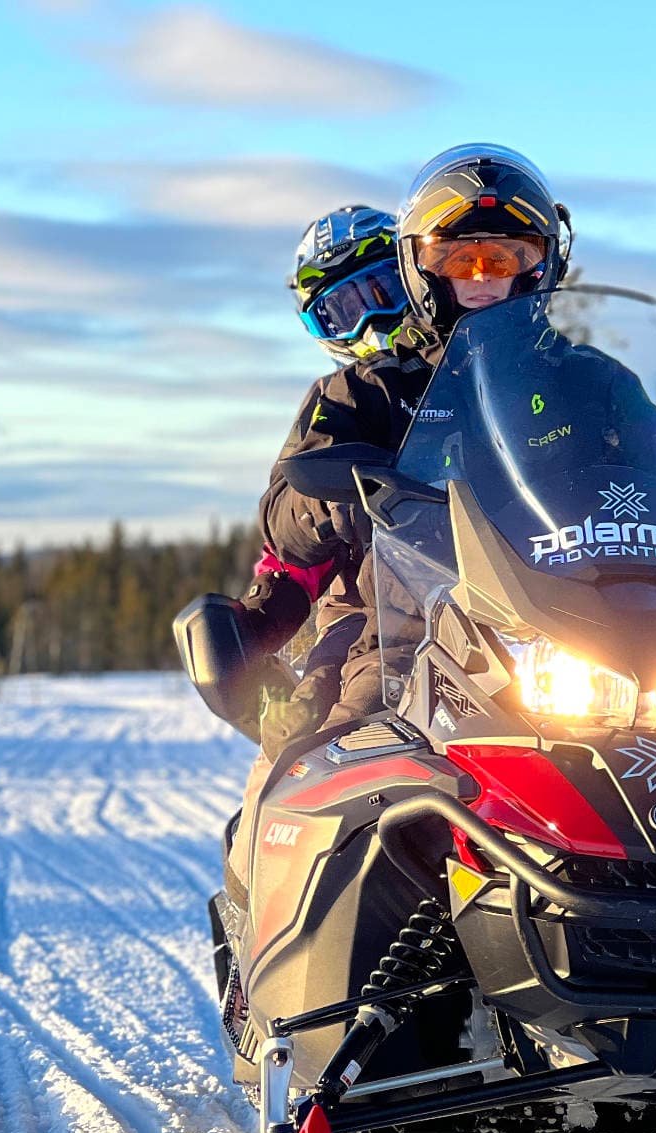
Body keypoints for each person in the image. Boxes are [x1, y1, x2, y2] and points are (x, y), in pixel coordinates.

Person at [255, 144, 571, 755]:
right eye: (459, 261)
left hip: (572, 615)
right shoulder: (363, 389)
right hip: (407, 625)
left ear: (538, 265)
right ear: (423, 270)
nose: (481, 279)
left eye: (501, 259)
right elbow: (284, 517)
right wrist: (328, 501)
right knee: (320, 754)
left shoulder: (582, 380)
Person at [210, 205, 411, 744]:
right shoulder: (342, 400)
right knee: (307, 736)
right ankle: (266, 823)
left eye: (382, 291)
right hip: (374, 612)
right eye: (344, 310)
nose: (371, 321)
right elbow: (286, 524)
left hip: (517, 594)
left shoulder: (491, 376)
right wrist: (319, 507)